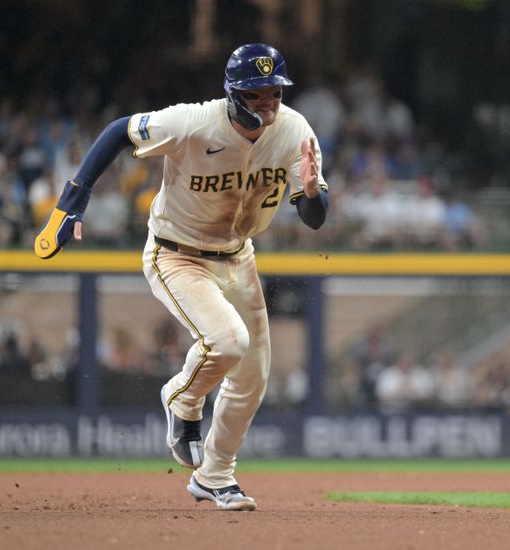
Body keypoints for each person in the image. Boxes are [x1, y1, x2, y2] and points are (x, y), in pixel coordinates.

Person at [35, 43, 329, 511]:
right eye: (257, 93)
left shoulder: (293, 130)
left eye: (275, 89)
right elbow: (118, 131)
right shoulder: (192, 122)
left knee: (253, 377)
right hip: (178, 255)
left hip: (239, 255)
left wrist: (311, 190)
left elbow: (314, 218)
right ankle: (180, 398)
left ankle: (214, 476)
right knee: (229, 342)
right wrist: (73, 201)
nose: (269, 100)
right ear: (234, 94)